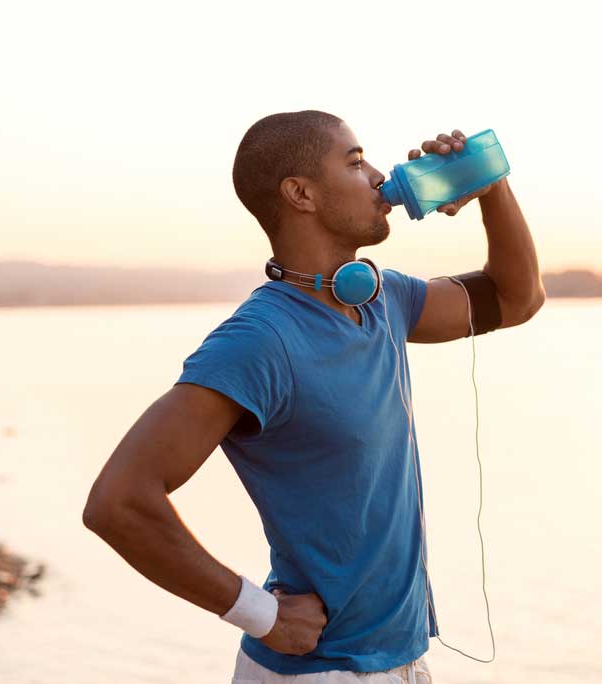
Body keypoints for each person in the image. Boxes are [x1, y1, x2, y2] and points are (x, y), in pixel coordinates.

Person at [82, 110, 544, 683]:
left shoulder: (383, 299)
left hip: (401, 660)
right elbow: (117, 502)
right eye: (355, 163)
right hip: (319, 672)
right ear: (300, 193)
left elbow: (516, 297)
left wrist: (491, 185)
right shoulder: (258, 341)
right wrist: (261, 614)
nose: (380, 176)